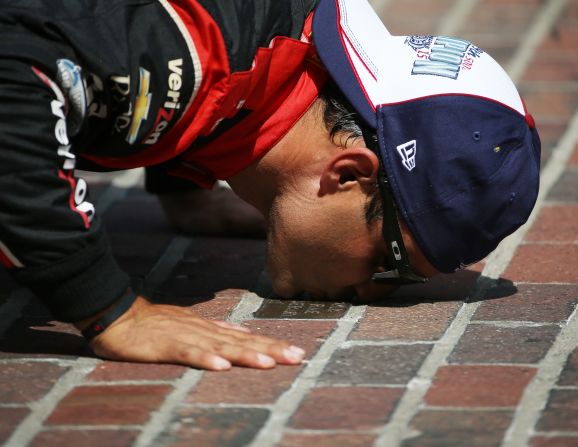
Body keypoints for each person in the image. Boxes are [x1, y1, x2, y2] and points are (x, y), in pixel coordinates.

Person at [0, 0, 541, 371]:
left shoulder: (277, 46)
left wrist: (182, 183)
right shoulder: (198, 45)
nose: (371, 293)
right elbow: (14, 72)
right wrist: (107, 307)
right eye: (390, 261)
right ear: (348, 173)